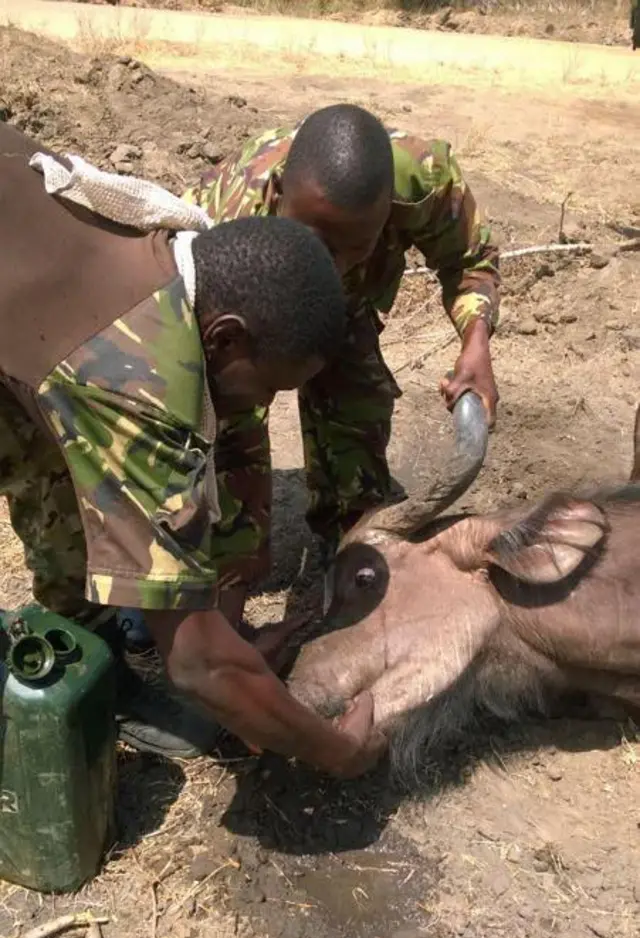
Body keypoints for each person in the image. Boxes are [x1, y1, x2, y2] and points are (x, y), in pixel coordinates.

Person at [0, 122, 383, 778]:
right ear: (227, 338)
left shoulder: (162, 236)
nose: (256, 408)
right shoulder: (143, 374)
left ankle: (87, 642)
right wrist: (337, 750)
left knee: (54, 455)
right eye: (265, 387)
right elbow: (198, 664)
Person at [184, 102, 501, 566]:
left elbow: (469, 261)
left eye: (351, 247)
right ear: (279, 197)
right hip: (252, 309)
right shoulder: (225, 219)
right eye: (316, 242)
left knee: (356, 409)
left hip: (352, 308)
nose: (327, 267)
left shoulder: (424, 183)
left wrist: (476, 343)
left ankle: (347, 539)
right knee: (231, 426)